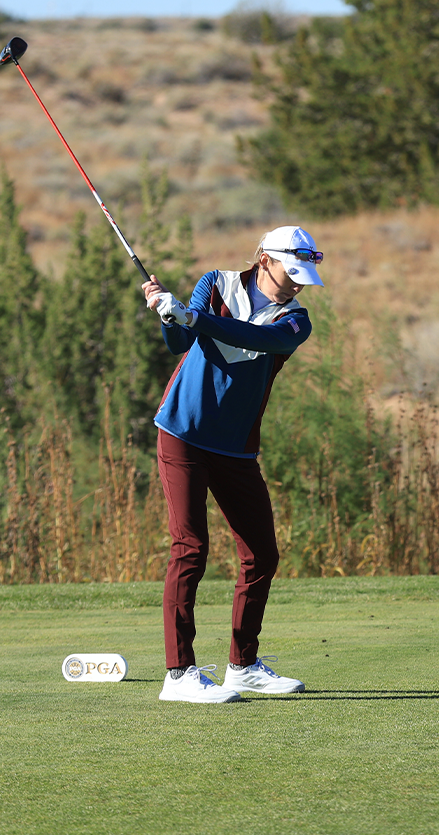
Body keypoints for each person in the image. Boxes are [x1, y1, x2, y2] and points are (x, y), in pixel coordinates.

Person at [141, 226, 322, 703]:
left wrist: (195, 318)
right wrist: (167, 313)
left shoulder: (295, 321)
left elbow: (250, 337)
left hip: (237, 447)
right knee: (191, 547)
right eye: (292, 271)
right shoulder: (216, 284)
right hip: (182, 431)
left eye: (305, 275)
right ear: (264, 259)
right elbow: (178, 343)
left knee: (262, 554)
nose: (299, 283)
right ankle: (178, 675)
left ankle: (242, 666)